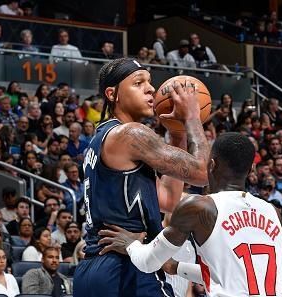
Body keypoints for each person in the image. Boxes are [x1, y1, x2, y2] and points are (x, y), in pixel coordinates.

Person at [73, 58, 209, 297]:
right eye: (138, 83)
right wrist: (192, 117)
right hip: (128, 267)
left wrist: (177, 134)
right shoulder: (130, 133)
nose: (151, 89)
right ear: (112, 93)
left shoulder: (103, 137)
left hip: (93, 269)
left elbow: (167, 199)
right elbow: (202, 173)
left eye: (150, 82)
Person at [98, 133, 282, 296]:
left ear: (211, 165)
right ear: (251, 169)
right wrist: (176, 267)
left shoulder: (199, 207)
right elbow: (236, 276)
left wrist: (131, 245)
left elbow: (148, 263)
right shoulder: (273, 211)